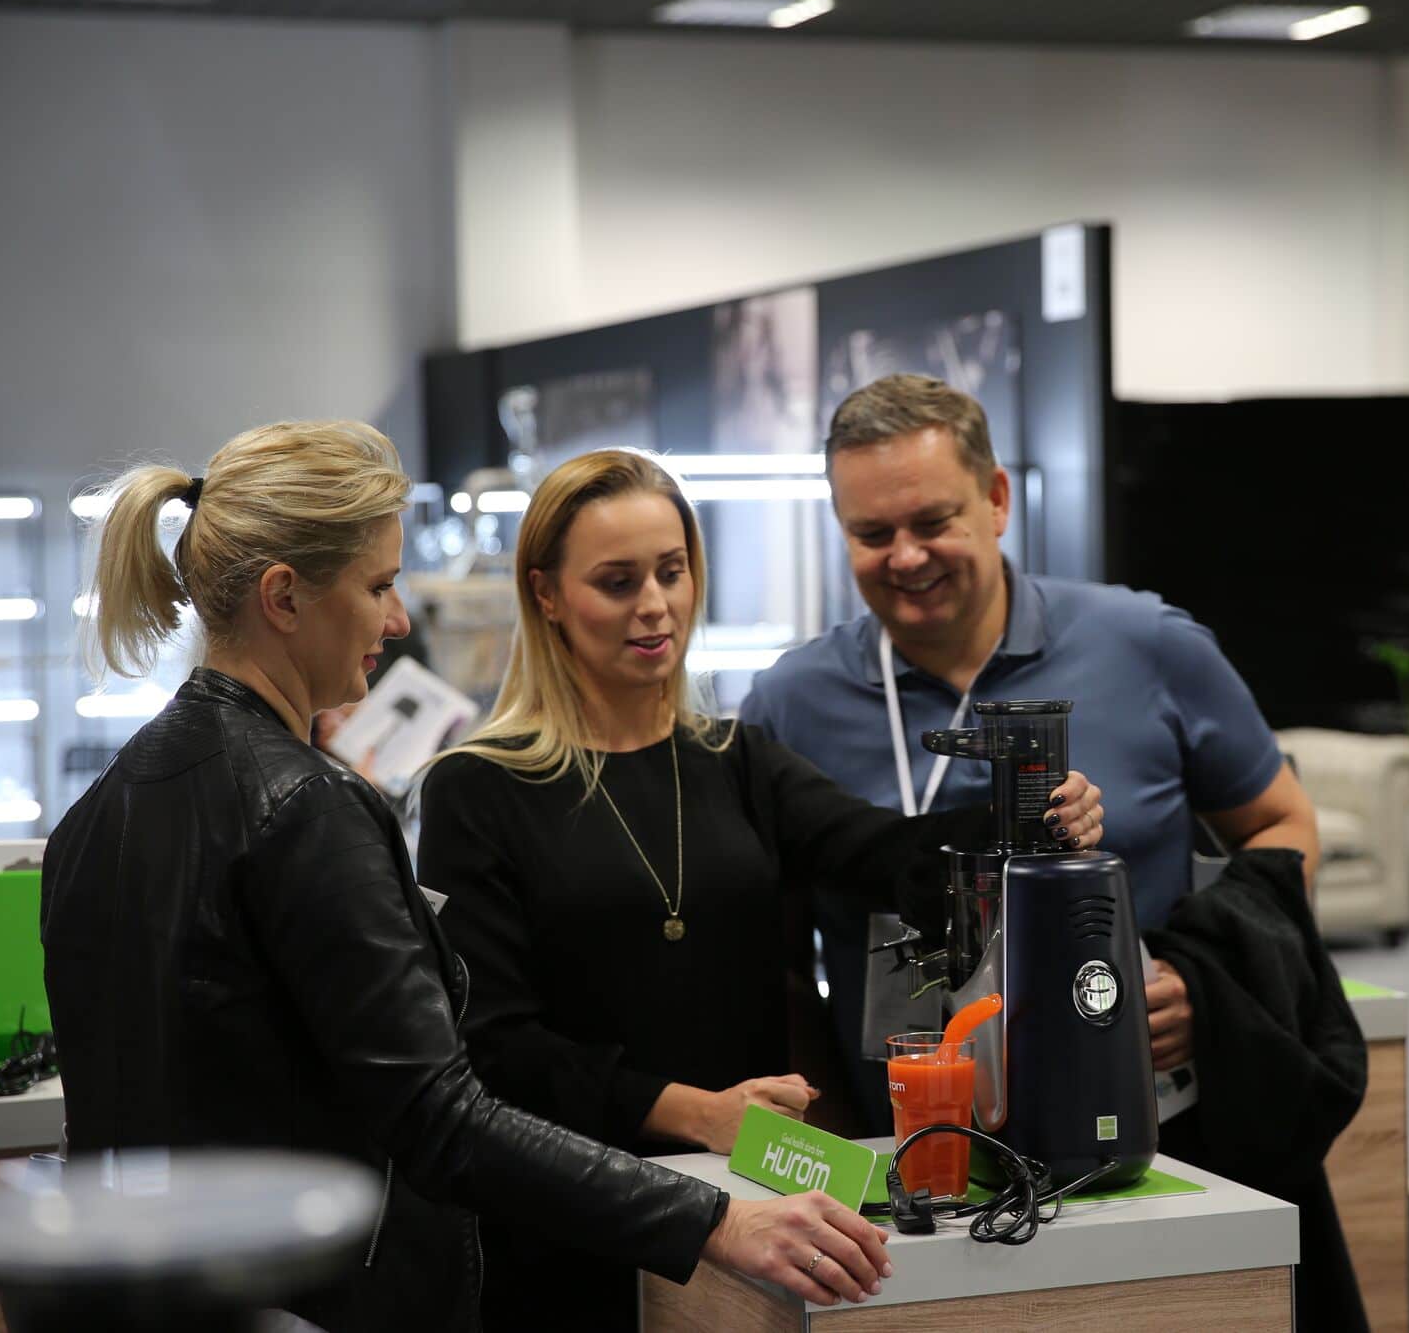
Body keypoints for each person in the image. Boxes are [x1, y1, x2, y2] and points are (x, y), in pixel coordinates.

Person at [41, 421, 895, 1333]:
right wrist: (715, 1221)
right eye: (378, 586)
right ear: (284, 596)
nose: (398, 620)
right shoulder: (309, 808)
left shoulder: (100, 810)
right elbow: (442, 1119)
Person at [412, 448, 1104, 1333]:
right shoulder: (478, 788)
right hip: (571, 1213)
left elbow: (887, 851)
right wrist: (699, 1113)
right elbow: (497, 1044)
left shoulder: (735, 761)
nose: (655, 604)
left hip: (749, 1213)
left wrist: (1032, 813)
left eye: (672, 572)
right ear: (545, 594)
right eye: (618, 582)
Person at [736, 373, 1319, 1131]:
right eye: (873, 534)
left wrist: (1205, 976)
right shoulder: (791, 702)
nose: (906, 557)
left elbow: (1282, 826)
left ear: (997, 499)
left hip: (1144, 1120)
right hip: (907, 1140)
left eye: (933, 521)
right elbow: (771, 956)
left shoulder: (1147, 645)